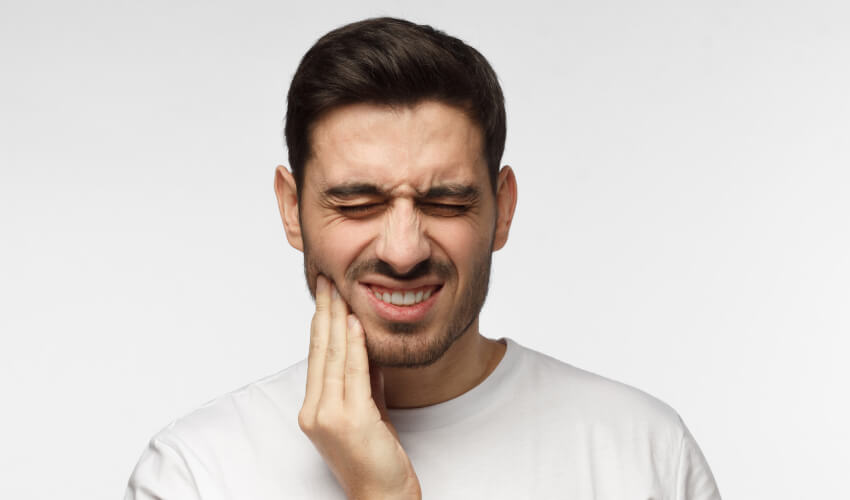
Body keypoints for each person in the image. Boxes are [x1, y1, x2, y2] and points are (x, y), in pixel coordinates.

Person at [125, 17, 721, 499]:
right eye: (358, 202)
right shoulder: (195, 475)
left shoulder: (645, 455)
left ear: (502, 209)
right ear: (291, 210)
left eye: (445, 201)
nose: (404, 251)